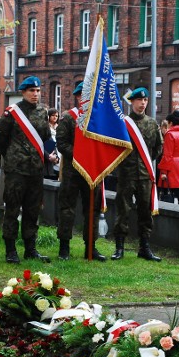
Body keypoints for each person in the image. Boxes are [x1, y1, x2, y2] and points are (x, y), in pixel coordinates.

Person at [0, 76, 52, 264]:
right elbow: (1, 140)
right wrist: (14, 156)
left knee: (32, 209)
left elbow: (44, 136)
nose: (35, 94)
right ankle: (10, 250)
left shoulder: (42, 112)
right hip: (16, 170)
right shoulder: (12, 113)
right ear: (23, 92)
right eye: (31, 91)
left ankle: (31, 248)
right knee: (12, 208)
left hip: (36, 169)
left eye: (38, 91)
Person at [111, 87, 163, 262]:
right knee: (123, 211)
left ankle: (145, 247)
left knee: (145, 212)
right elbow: (115, 148)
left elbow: (158, 147)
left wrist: (146, 162)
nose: (142, 103)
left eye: (145, 100)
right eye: (139, 100)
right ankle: (119, 247)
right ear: (131, 102)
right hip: (126, 175)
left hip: (145, 176)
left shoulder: (152, 123)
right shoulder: (122, 123)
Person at [56, 81, 106, 261]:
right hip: (72, 172)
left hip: (92, 172)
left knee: (92, 210)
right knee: (67, 210)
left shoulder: (97, 119)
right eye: (85, 96)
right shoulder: (69, 118)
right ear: (78, 97)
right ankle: (64, 248)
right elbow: (61, 144)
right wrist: (79, 156)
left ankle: (91, 248)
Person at [157, 110, 179, 205]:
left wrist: (163, 172)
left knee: (168, 197)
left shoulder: (170, 134)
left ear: (171, 123)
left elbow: (167, 155)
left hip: (172, 168)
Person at [43, 109, 60, 180]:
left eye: (56, 116)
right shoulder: (45, 127)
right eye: (53, 115)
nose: (55, 117)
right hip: (48, 150)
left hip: (58, 151)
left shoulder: (59, 127)